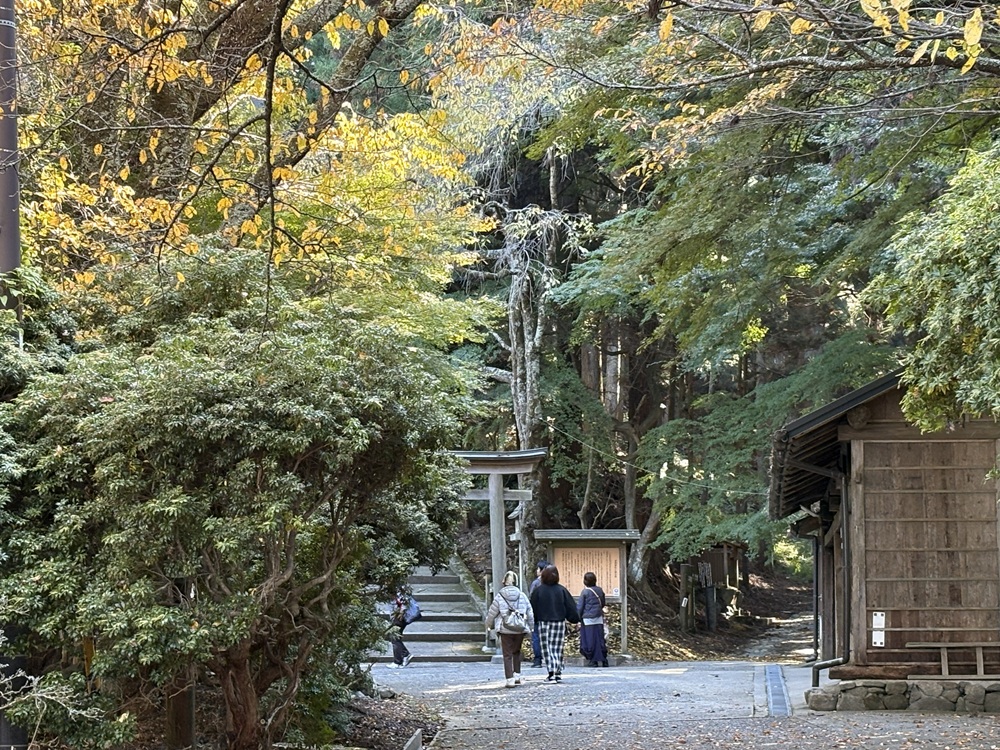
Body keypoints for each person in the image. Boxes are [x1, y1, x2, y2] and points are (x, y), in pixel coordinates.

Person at [528, 564, 580, 683]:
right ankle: (557, 671)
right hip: (559, 622)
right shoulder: (561, 590)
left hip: (544, 623)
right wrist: (575, 618)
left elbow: (533, 607)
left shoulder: (538, 591)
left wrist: (533, 621)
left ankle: (551, 672)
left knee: (547, 648)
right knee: (557, 647)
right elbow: (570, 607)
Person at [485, 570, 535, 688]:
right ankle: (517, 675)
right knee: (516, 651)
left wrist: (487, 625)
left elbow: (492, 613)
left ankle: (509, 679)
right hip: (519, 628)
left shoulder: (500, 596)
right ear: (516, 582)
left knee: (507, 654)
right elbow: (530, 612)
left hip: (505, 628)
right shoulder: (522, 595)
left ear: (504, 582)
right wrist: (531, 627)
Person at [578, 571, 609, 667]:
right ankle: (603, 658)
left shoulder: (585, 592)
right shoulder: (599, 590)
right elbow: (603, 603)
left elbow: (580, 607)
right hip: (598, 617)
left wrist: (578, 618)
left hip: (587, 618)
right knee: (599, 639)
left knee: (589, 639)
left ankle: (593, 660)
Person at [388, 589, 421, 668]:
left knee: (394, 636)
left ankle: (398, 661)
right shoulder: (393, 587)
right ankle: (405, 654)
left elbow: (405, 600)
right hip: (399, 615)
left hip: (401, 616)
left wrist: (401, 612)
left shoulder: (398, 588)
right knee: (395, 636)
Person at [528, 560, 547, 668]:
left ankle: (538, 659)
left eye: (538, 569)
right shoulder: (551, 583)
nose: (537, 571)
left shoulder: (536, 583)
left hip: (537, 613)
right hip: (548, 614)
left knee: (536, 637)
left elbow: (531, 598)